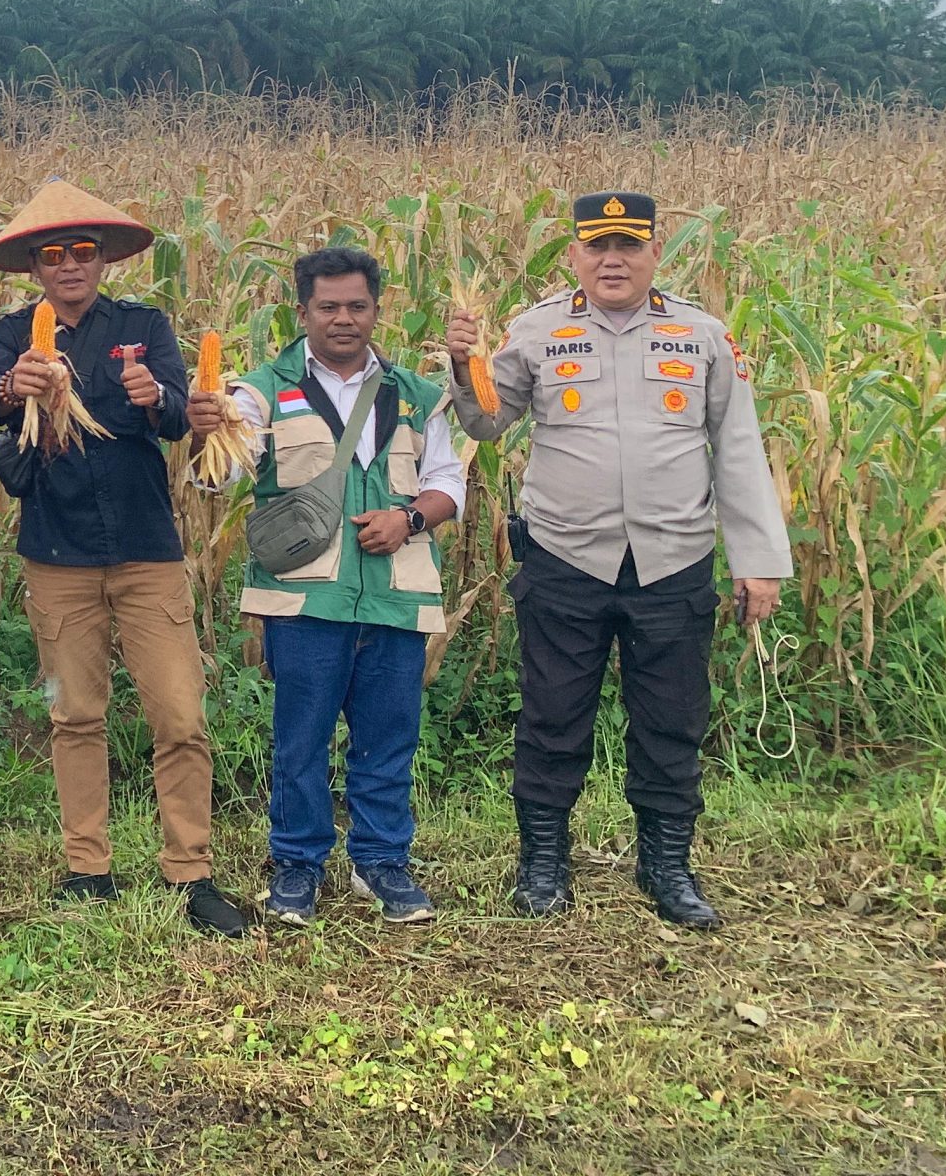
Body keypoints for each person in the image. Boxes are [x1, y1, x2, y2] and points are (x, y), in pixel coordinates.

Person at [447, 192, 790, 928]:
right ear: (572, 254)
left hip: (673, 562)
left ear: (654, 254)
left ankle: (665, 865)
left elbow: (737, 449)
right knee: (551, 716)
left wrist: (757, 562)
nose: (612, 260)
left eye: (628, 246)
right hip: (567, 558)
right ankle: (543, 863)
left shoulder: (699, 334)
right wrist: (461, 361)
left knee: (670, 721)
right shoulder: (537, 332)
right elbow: (485, 420)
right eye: (597, 246)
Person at [0, 181, 249, 938]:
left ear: (100, 261)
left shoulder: (143, 325)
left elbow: (179, 418)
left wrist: (156, 393)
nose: (69, 265)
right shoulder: (7, 333)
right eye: (53, 254)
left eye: (82, 252)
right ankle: (87, 867)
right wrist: (13, 384)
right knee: (75, 715)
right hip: (56, 555)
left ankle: (190, 870)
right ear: (35, 266)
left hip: (145, 549)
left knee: (181, 714)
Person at [189, 245, 464, 926]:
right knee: (302, 740)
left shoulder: (413, 394)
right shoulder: (257, 392)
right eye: (329, 307)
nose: (344, 319)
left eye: (358, 306)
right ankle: (297, 867)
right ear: (302, 311)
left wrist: (408, 519)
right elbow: (216, 475)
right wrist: (208, 432)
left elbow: (447, 481)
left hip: (397, 594)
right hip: (306, 597)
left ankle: (382, 864)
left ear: (376, 309)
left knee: (389, 738)